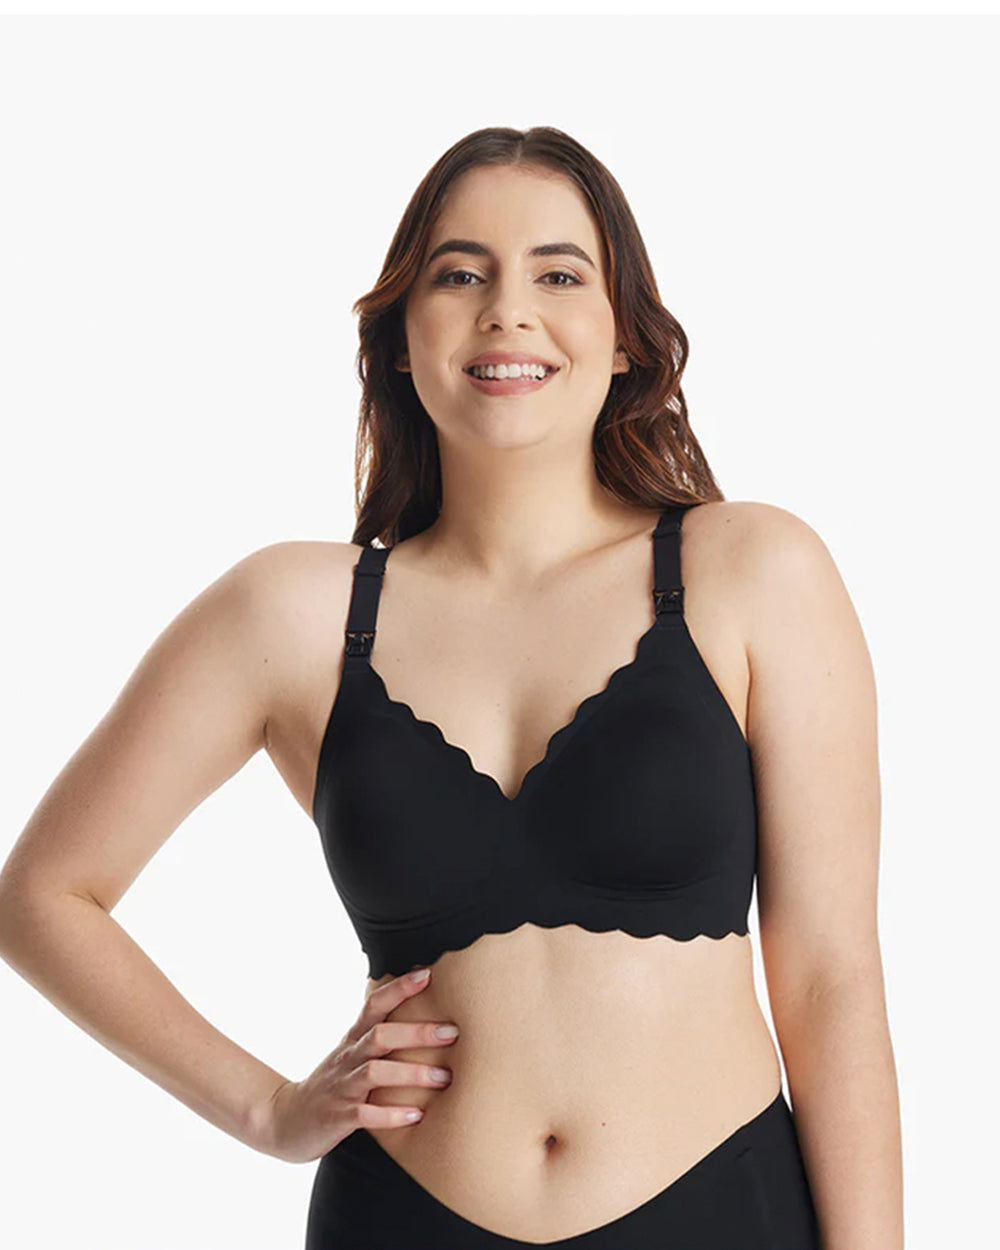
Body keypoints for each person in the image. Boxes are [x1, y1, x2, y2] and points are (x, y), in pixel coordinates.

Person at [0, 126, 903, 1249]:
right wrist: (267, 1110)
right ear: (399, 334)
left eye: (558, 275)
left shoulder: (753, 571)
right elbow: (42, 895)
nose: (506, 311)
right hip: (397, 1220)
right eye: (461, 274)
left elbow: (830, 981)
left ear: (624, 334)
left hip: (718, 1209)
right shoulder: (291, 613)